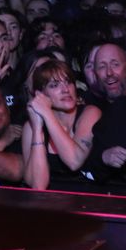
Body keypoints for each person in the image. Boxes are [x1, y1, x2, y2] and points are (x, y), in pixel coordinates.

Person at [21, 59, 100, 189]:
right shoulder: (30, 127)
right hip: (50, 199)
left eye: (68, 82)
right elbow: (38, 185)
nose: (65, 90)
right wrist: (37, 129)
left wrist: (47, 114)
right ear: (40, 95)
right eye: (54, 85)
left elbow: (74, 161)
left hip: (87, 195)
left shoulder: (90, 113)